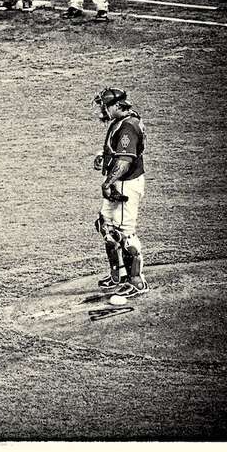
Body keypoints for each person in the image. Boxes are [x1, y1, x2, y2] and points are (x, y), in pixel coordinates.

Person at [91, 88, 148, 298]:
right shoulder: (119, 122)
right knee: (105, 225)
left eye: (104, 106)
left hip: (126, 184)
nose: (102, 111)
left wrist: (108, 182)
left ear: (116, 106)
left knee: (125, 233)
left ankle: (136, 282)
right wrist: (102, 156)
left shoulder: (128, 126)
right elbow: (115, 152)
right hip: (117, 182)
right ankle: (119, 275)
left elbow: (125, 161)